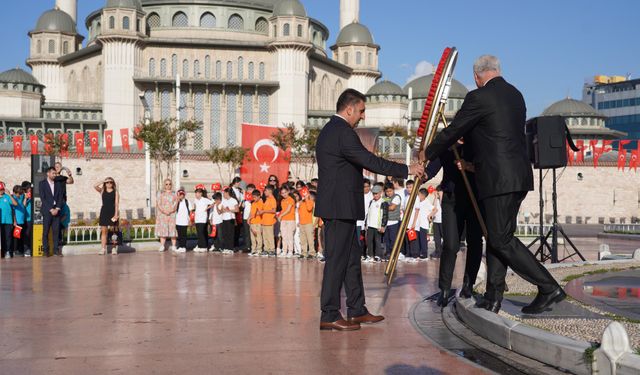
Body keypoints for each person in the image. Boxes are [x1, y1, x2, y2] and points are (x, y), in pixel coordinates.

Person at [424, 55, 564, 314]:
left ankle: (548, 287)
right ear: (498, 71)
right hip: (519, 176)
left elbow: (454, 130)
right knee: (499, 237)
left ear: (477, 77)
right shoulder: (516, 95)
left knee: (500, 239)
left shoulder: (478, 97)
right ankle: (493, 295)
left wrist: (427, 152)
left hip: (497, 179)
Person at [315, 88, 423, 331]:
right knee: (337, 261)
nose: (362, 116)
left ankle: (356, 310)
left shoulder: (334, 130)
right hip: (338, 206)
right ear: (349, 108)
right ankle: (329, 313)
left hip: (342, 205)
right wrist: (406, 169)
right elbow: (369, 160)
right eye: (361, 111)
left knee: (352, 260)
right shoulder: (342, 132)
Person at [425, 142, 483, 307]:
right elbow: (431, 169)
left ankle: (468, 284)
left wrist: (469, 166)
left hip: (475, 199)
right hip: (451, 199)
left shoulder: (477, 141)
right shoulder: (448, 145)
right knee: (450, 245)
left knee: (474, 241)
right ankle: (444, 288)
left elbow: (487, 167)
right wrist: (424, 175)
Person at [39, 168, 65, 257]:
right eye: (53, 173)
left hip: (56, 210)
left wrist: (57, 208)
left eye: (55, 173)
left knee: (56, 231)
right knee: (45, 231)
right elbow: (43, 198)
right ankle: (45, 250)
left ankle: (55, 250)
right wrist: (51, 209)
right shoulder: (42, 184)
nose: (55, 175)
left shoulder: (58, 184)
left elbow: (60, 197)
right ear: (48, 173)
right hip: (47, 211)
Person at [94, 177, 119, 255]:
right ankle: (103, 249)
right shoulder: (102, 191)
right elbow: (95, 186)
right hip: (104, 212)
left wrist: (116, 214)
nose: (109, 184)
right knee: (104, 231)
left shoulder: (116, 192)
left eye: (111, 182)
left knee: (113, 232)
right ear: (105, 183)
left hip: (112, 212)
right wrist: (103, 181)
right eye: (107, 182)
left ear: (113, 183)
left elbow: (117, 204)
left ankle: (114, 249)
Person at [364, 185, 388, 263]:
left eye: (377, 193)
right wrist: (366, 223)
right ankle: (370, 255)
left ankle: (378, 256)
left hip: (378, 226)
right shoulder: (371, 201)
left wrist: (383, 226)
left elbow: (385, 215)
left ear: (380, 193)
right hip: (370, 225)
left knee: (377, 241)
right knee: (369, 241)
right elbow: (368, 213)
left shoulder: (383, 202)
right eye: (374, 194)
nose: (375, 195)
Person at [156, 179, 178, 252]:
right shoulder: (161, 194)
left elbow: (176, 203)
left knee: (172, 229)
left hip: (172, 214)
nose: (168, 185)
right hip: (163, 214)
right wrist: (164, 211)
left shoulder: (174, 194)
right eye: (166, 184)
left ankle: (174, 246)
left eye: (169, 184)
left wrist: (171, 210)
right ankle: (162, 245)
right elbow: (158, 204)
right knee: (163, 229)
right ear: (164, 185)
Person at [382, 183, 402, 261]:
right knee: (386, 239)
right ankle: (388, 253)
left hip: (394, 222)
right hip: (386, 222)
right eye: (387, 191)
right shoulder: (385, 197)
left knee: (393, 239)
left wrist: (383, 206)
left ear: (393, 190)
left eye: (390, 191)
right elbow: (382, 202)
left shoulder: (396, 197)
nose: (389, 193)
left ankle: (394, 254)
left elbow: (392, 207)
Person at [0, 182, 18, 258]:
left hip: (8, 221)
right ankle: (2, 252)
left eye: (3, 189)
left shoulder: (7, 197)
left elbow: (15, 204)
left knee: (8, 237)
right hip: (0, 220)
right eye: (1, 190)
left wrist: (9, 195)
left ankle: (8, 251)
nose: (2, 191)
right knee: (2, 238)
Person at [193, 185, 213, 253]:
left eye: (198, 193)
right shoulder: (195, 200)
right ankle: (200, 245)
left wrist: (207, 208)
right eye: (196, 193)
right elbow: (195, 207)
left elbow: (213, 203)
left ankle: (204, 247)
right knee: (199, 233)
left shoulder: (204, 199)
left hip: (202, 219)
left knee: (201, 232)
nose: (196, 194)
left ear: (201, 193)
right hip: (197, 218)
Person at [278, 185, 295, 257]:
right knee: (284, 236)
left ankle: (290, 251)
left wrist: (281, 215)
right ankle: (284, 251)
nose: (284, 194)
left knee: (289, 236)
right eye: (282, 193)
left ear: (288, 192)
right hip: (283, 220)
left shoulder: (291, 199)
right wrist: (280, 216)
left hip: (290, 220)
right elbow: (283, 209)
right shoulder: (282, 200)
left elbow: (288, 210)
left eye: (285, 192)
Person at [298, 187, 315, 259]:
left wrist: (307, 199)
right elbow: (299, 212)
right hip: (302, 223)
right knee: (303, 239)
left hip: (308, 223)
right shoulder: (301, 202)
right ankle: (303, 252)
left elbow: (309, 208)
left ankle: (312, 253)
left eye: (306, 194)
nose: (304, 195)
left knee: (310, 239)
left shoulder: (310, 201)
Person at [220, 187, 239, 254]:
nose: (223, 194)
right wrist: (222, 210)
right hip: (224, 218)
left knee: (230, 234)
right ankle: (226, 247)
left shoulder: (233, 200)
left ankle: (230, 248)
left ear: (227, 193)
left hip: (231, 219)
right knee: (225, 234)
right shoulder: (223, 201)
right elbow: (221, 209)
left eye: (224, 193)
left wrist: (229, 210)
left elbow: (237, 210)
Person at [174, 187, 192, 253]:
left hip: (185, 221)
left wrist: (190, 220)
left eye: (182, 194)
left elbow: (190, 212)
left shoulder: (187, 202)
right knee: (179, 235)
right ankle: (180, 246)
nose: (181, 196)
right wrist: (177, 201)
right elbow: (174, 209)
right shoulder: (177, 202)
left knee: (184, 235)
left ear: (184, 195)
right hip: (178, 221)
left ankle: (184, 247)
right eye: (180, 194)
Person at [12, 185, 27, 257]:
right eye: (19, 193)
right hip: (17, 221)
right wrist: (14, 221)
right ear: (14, 193)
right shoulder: (13, 198)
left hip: (22, 220)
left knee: (21, 237)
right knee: (16, 237)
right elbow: (13, 211)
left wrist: (25, 197)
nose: (20, 195)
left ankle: (20, 250)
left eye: (21, 193)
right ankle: (15, 250)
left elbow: (23, 206)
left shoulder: (20, 197)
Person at [248, 189, 263, 256]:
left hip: (258, 222)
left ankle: (259, 250)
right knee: (253, 237)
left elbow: (259, 212)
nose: (254, 198)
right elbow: (251, 212)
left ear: (259, 196)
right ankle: (253, 250)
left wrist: (250, 217)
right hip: (252, 222)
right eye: (253, 197)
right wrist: (249, 218)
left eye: (255, 197)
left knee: (258, 237)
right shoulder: (253, 203)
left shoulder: (260, 202)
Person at [431, 186, 443, 258]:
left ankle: (443, 250)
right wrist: (435, 197)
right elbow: (433, 207)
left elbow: (442, 206)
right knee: (437, 237)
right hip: (436, 221)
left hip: (442, 221)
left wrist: (441, 196)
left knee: (445, 237)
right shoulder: (436, 200)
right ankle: (438, 251)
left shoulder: (443, 200)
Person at [21, 181, 33, 257]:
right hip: (27, 218)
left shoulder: (33, 194)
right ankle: (26, 249)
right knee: (27, 234)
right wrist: (26, 198)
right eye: (28, 188)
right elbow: (23, 205)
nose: (29, 189)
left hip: (34, 218)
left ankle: (31, 248)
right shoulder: (23, 195)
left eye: (30, 188)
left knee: (32, 234)